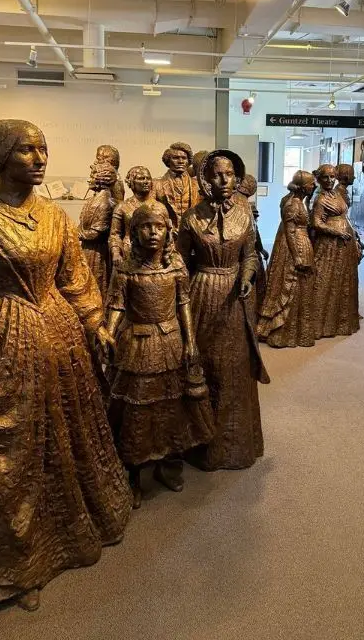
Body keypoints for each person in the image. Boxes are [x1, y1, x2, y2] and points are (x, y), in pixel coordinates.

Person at [0, 120, 132, 613]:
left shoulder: (55, 217)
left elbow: (75, 277)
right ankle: (11, 564)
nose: (39, 159)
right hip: (3, 337)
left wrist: (95, 322)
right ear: (0, 158)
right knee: (8, 450)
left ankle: (56, 539)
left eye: (43, 149)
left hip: (58, 336)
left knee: (59, 436)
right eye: (26, 150)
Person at [105, 202, 214, 509]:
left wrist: (191, 341)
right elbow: (116, 305)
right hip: (137, 343)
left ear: (169, 231)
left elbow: (184, 304)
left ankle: (169, 464)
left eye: (159, 227)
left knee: (172, 406)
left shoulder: (177, 266)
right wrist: (108, 333)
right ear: (133, 231)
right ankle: (134, 474)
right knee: (137, 411)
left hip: (170, 342)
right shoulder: (125, 267)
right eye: (145, 226)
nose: (152, 233)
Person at [177, 150, 269, 471]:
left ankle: (235, 444)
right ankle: (203, 446)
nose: (224, 180)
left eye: (230, 174)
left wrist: (246, 276)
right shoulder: (190, 218)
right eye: (217, 175)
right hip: (203, 291)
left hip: (235, 296)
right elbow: (180, 264)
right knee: (207, 363)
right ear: (205, 178)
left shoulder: (244, 214)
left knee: (235, 366)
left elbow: (250, 255)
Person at [258, 171, 316, 348]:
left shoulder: (298, 200)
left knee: (299, 287)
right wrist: (297, 255)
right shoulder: (292, 204)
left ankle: (296, 330)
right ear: (303, 186)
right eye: (311, 183)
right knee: (289, 285)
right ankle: (280, 331)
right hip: (293, 246)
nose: (314, 186)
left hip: (298, 242)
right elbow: (290, 232)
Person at [311, 164, 361, 339]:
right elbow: (316, 223)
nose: (330, 180)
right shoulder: (321, 199)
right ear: (319, 179)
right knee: (326, 279)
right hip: (330, 244)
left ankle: (341, 320)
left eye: (332, 177)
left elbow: (344, 216)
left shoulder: (336, 194)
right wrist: (337, 232)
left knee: (343, 280)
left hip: (344, 243)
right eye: (325, 177)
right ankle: (321, 323)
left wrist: (352, 235)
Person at [78, 160, 117, 301]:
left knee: (98, 283)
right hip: (87, 249)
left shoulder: (106, 203)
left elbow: (97, 232)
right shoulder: (92, 200)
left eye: (93, 175)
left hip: (98, 252)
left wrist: (76, 234)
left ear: (102, 179)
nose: (89, 179)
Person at [236, 173, 269, 313]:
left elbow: (255, 232)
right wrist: (260, 249)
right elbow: (254, 233)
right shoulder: (242, 206)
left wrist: (261, 249)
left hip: (247, 252)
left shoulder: (245, 206)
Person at [109, 165, 156, 264]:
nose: (146, 181)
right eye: (141, 179)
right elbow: (115, 234)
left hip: (153, 254)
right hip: (129, 252)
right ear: (132, 183)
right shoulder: (122, 207)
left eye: (148, 178)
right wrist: (116, 252)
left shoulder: (160, 207)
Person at [154, 142, 201, 232]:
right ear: (168, 160)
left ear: (188, 161)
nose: (180, 161)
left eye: (184, 158)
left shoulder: (197, 185)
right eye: (175, 158)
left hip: (192, 234)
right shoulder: (156, 184)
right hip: (167, 234)